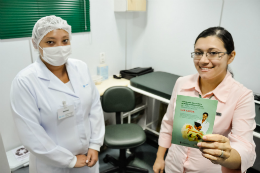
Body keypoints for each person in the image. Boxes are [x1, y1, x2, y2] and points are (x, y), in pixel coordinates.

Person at [153, 27, 256, 173]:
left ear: (231, 56)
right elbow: (169, 123)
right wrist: (159, 157)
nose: (203, 60)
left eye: (213, 53)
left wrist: (225, 155)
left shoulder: (242, 96)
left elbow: (245, 148)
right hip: (173, 165)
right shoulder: (182, 83)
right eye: (198, 53)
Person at [10, 15, 105, 173]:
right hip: (51, 165)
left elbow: (95, 107)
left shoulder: (80, 68)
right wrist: (70, 160)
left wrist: (95, 144)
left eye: (65, 40)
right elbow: (31, 134)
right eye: (50, 42)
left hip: (88, 157)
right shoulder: (25, 81)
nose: (60, 47)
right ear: (36, 44)